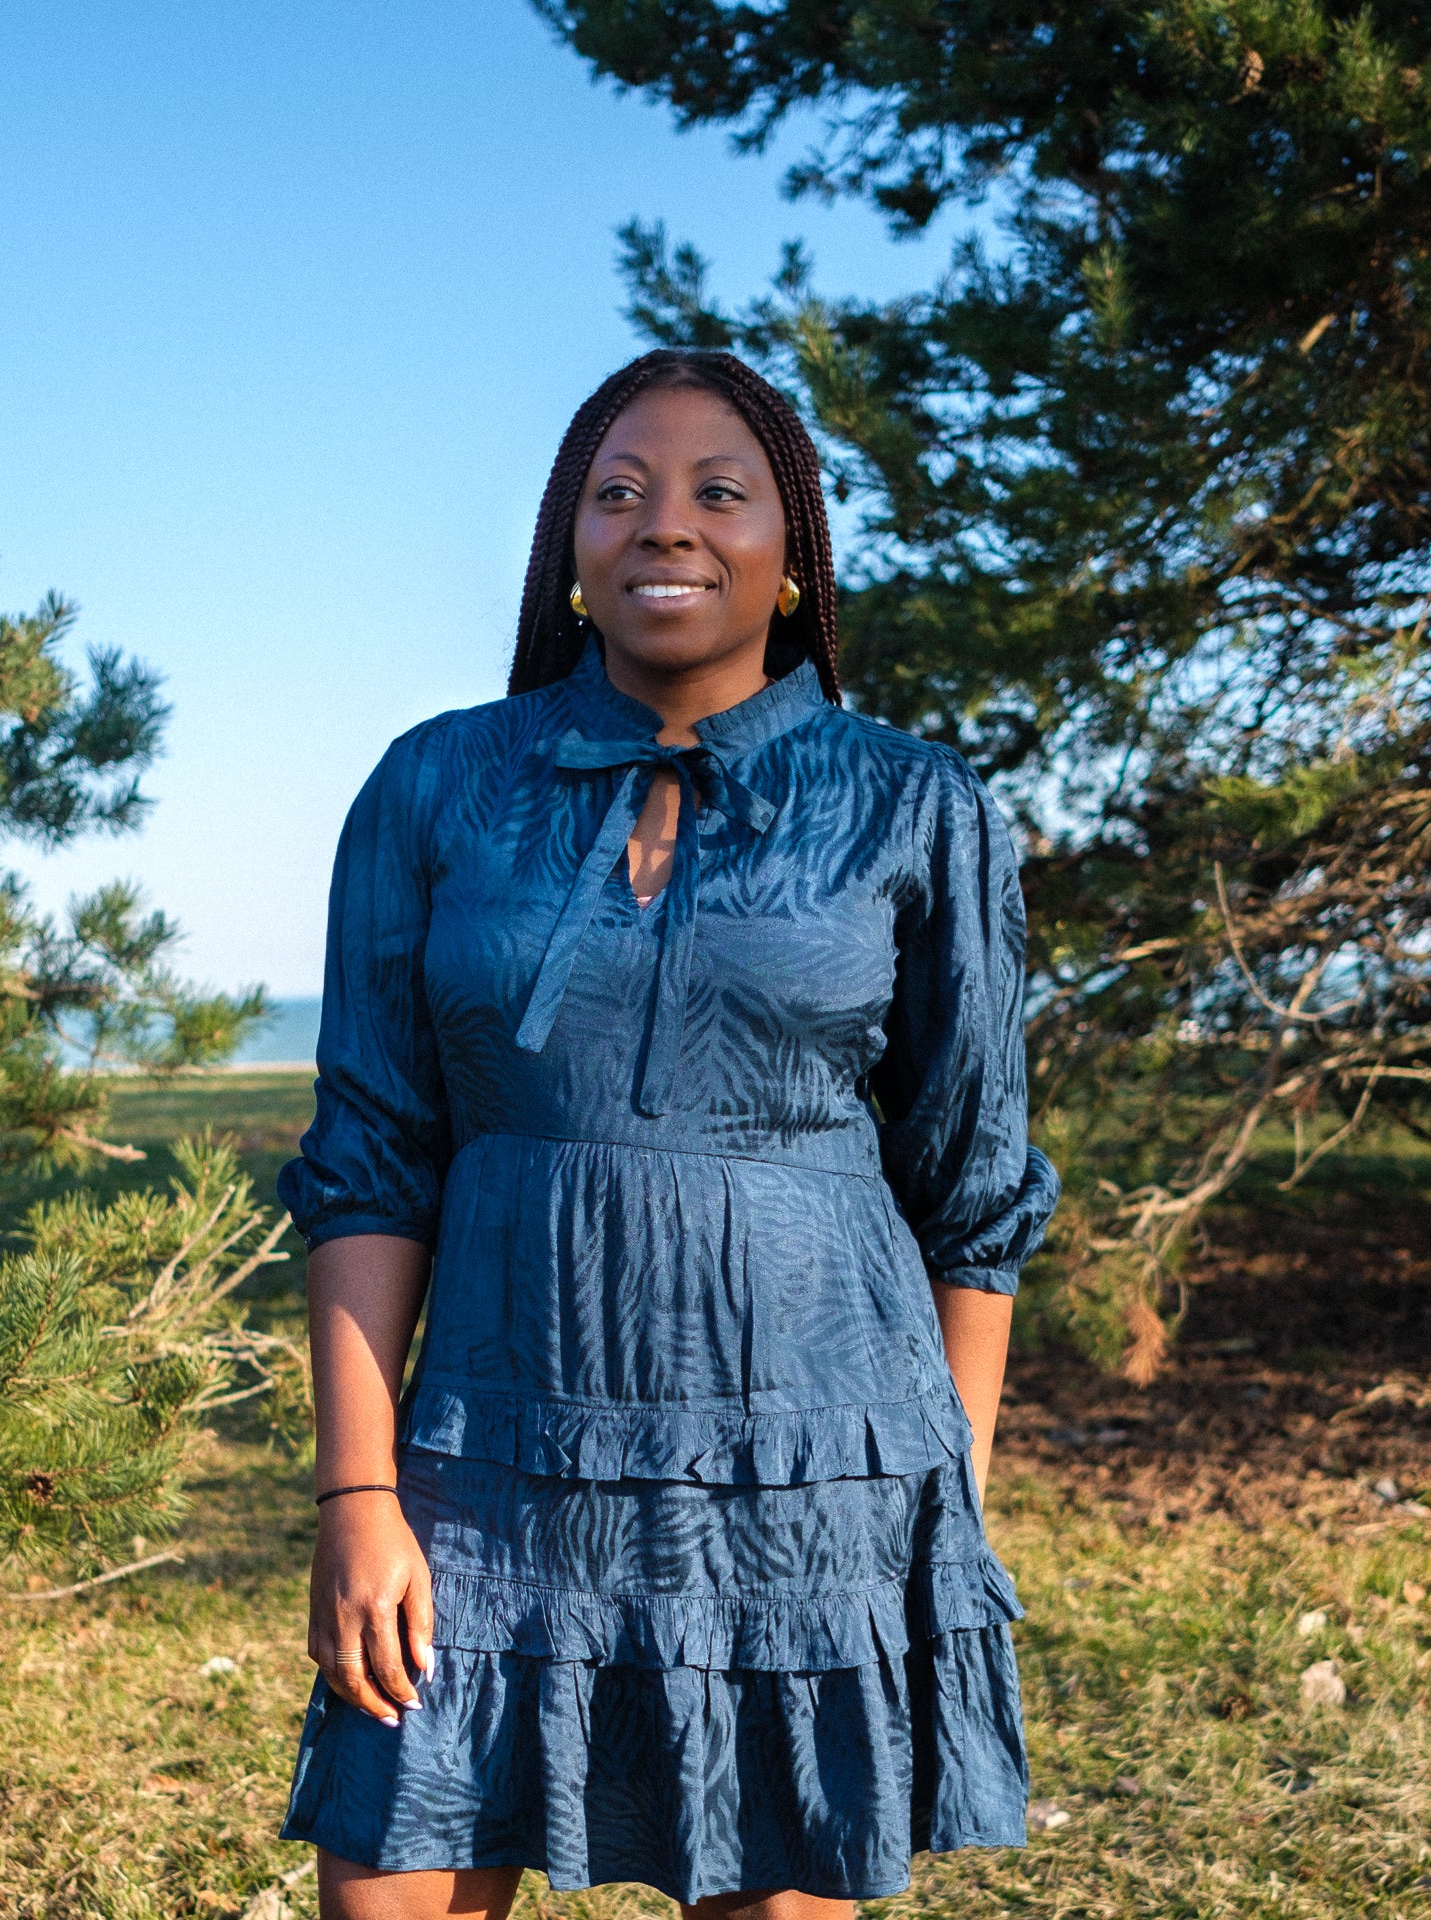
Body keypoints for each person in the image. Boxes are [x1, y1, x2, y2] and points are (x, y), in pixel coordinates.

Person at [276, 348, 1059, 1920]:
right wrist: (358, 1497)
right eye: (617, 492)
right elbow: (369, 1157)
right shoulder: (437, 787)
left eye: (720, 492)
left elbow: (973, 1191)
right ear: (568, 546)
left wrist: (939, 1515)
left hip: (813, 1478)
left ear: (793, 554)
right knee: (391, 1878)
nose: (663, 525)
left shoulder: (916, 806)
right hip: (486, 1464)